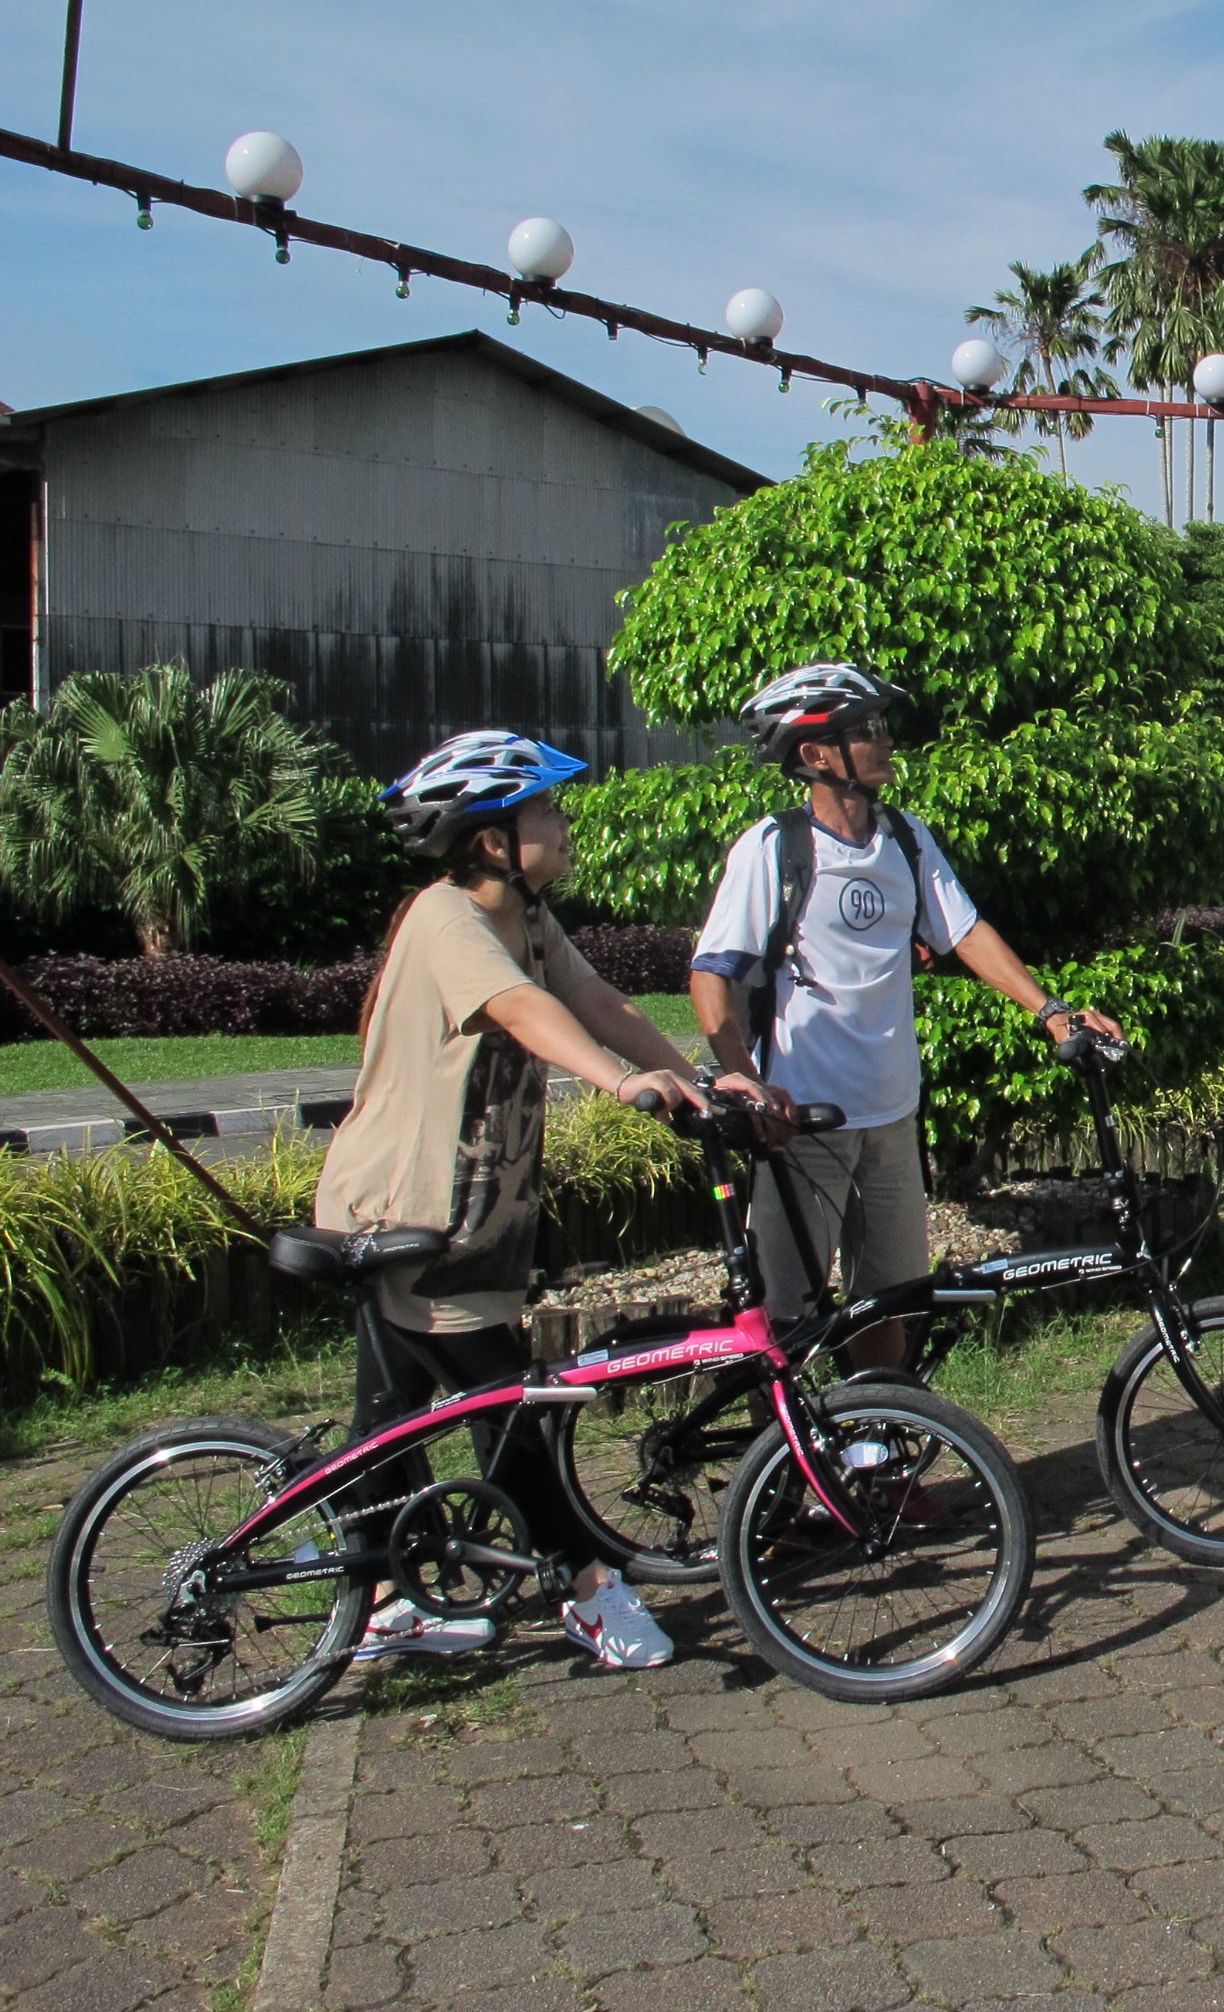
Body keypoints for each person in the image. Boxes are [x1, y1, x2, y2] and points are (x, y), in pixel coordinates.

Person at [314, 730, 712, 1671]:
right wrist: (617, 1087)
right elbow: (528, 1014)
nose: (564, 827)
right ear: (492, 840)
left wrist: (691, 1080)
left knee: (391, 1417)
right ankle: (584, 1588)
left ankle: (374, 1593)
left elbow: (596, 1000)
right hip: (408, 1214)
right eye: (547, 812)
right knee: (505, 1405)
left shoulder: (526, 919)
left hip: (465, 1212)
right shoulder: (447, 918)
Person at [689, 663, 1121, 1364]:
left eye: (883, 726)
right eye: (866, 730)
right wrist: (747, 1082)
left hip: (891, 1116)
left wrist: (1052, 1010)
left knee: (890, 1300)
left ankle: (876, 1458)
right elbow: (712, 975)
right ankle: (783, 1466)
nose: (886, 741)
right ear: (815, 755)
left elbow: (966, 932)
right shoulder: (774, 849)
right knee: (786, 1314)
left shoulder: (905, 839)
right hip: (802, 1125)